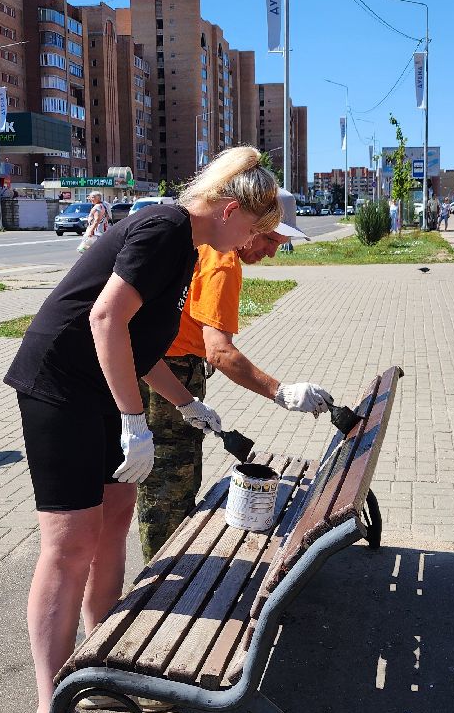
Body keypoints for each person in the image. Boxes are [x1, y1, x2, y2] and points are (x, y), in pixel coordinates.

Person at [4, 146, 281, 713]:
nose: (252, 243)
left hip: (98, 389)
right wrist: (136, 421)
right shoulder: (164, 229)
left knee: (118, 515)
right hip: (58, 387)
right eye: (253, 230)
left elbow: (139, 343)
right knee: (68, 545)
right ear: (232, 210)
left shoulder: (184, 245)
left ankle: (100, 657)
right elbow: (104, 319)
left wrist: (189, 408)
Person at [137, 188, 331, 558]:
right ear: (251, 224)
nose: (273, 251)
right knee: (169, 481)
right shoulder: (223, 263)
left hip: (163, 366)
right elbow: (220, 352)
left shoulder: (210, 246)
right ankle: (160, 577)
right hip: (167, 372)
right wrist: (281, 392)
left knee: (170, 474)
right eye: (272, 239)